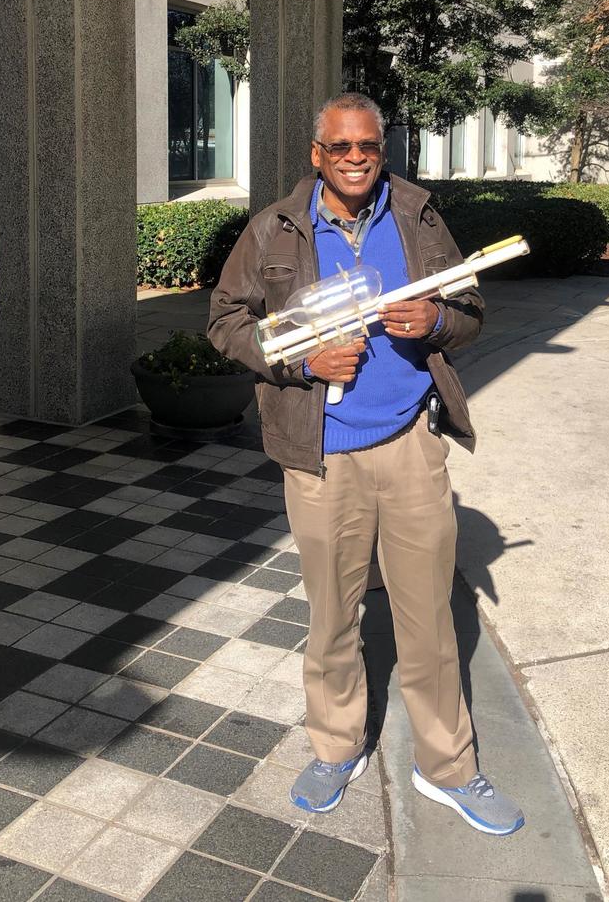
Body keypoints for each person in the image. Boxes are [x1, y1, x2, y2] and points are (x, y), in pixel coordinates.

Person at [207, 92, 523, 834]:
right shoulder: (274, 229)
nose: (355, 158)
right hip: (320, 458)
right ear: (316, 154)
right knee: (331, 615)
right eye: (340, 147)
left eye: (368, 147)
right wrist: (299, 359)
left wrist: (439, 319)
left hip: (411, 444)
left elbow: (470, 306)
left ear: (383, 150)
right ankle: (335, 745)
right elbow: (226, 320)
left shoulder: (417, 216)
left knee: (429, 618)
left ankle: (448, 765)